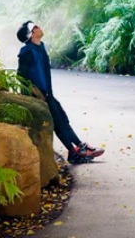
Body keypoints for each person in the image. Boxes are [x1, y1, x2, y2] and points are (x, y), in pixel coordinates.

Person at [16, 21, 105, 164]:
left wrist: (48, 93)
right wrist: (31, 97)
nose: (39, 26)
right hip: (38, 96)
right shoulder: (27, 52)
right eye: (35, 27)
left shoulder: (40, 46)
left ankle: (76, 149)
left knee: (62, 119)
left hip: (47, 94)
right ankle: (77, 149)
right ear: (31, 34)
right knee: (59, 121)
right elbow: (21, 76)